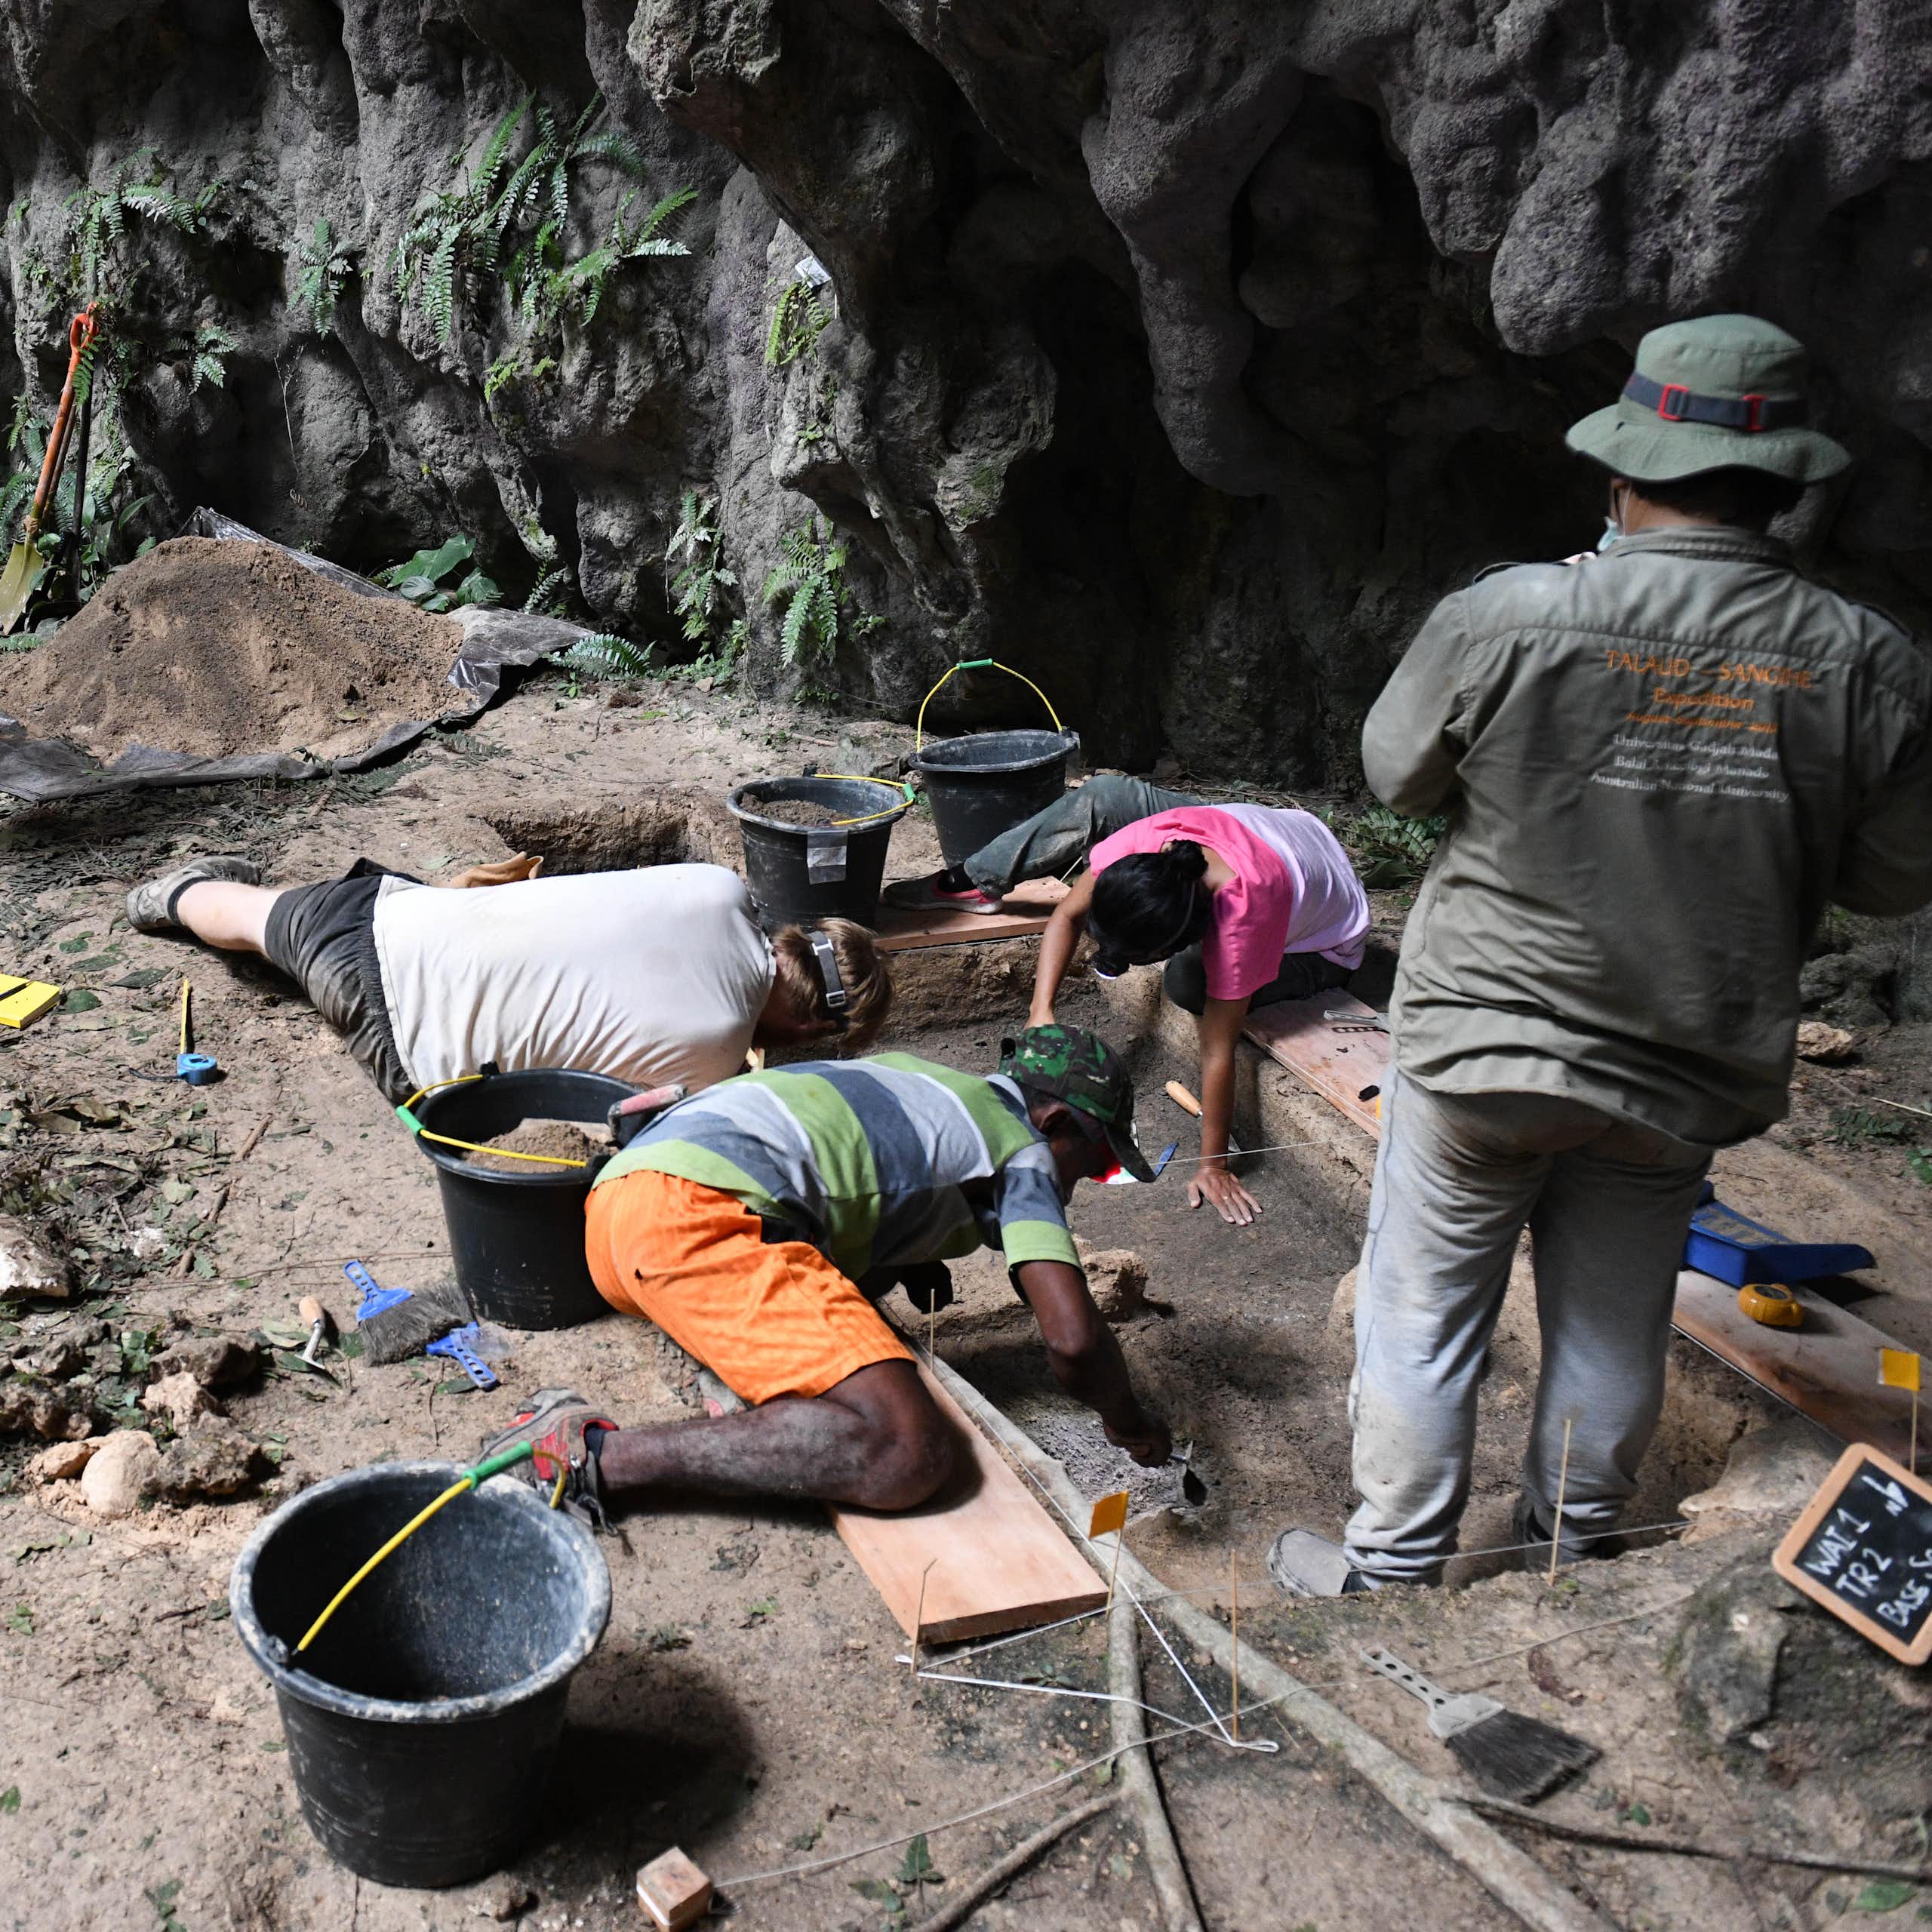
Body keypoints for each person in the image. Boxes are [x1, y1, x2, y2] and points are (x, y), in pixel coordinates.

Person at [1269, 313, 1932, 1598]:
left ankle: (1394, 1562)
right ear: (1790, 488)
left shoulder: (1513, 613)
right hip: (1684, 1061)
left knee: (1422, 1311)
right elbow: (1896, 874)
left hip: (1485, 1051)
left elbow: (1397, 775)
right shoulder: (1869, 664)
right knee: (1615, 1310)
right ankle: (1574, 1555)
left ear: (1621, 471)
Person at [476, 1025, 1172, 1519]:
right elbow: (1074, 1342)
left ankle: (740, 1377)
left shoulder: (922, 1076)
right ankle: (589, 1456)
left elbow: (850, 1157)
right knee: (907, 1449)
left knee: (861, 1298)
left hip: (624, 1210)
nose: (1082, 1184)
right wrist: (1127, 1418)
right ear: (1056, 1123)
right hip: (698, 1219)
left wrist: (910, 1249)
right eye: (1097, 1161)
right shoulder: (1023, 1152)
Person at [893, 778, 1367, 1225]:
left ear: (1183, 935)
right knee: (1103, 795)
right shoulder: (1141, 852)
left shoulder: (1244, 915)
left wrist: (1214, 1164)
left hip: (1330, 934)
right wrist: (1040, 1011)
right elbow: (1066, 916)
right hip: (1286, 831)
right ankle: (973, 883)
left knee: (1186, 983)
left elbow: (1217, 1049)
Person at [126, 851, 890, 1103]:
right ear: (815, 1025)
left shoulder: (717, 883)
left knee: (259, 914)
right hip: (406, 1051)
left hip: (386, 919)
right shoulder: (716, 1054)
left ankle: (172, 896)